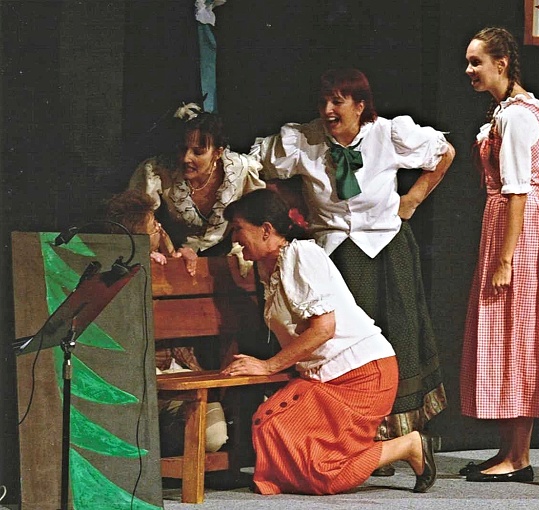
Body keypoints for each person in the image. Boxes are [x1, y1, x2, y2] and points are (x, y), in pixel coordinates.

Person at [250, 68, 454, 462]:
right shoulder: (304, 139)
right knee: (344, 349)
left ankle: (396, 441)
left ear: (360, 106)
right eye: (323, 101)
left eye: (338, 101)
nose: (328, 109)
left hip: (385, 249)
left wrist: (412, 200)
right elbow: (257, 167)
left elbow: (444, 152)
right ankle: (352, 440)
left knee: (395, 340)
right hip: (333, 256)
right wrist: (298, 207)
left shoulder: (388, 134)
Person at [219, 189, 436, 495]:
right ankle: (340, 459)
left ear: (266, 229)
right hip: (323, 378)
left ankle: (406, 446)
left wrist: (267, 367)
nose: (235, 239)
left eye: (239, 229)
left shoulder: (302, 256)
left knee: (325, 475)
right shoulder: (270, 267)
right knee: (268, 424)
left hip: (362, 374)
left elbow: (324, 329)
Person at [458, 27, 539, 483]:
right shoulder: (505, 112)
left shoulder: (518, 116)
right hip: (504, 223)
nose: (469, 70)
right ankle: (509, 450)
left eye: (476, 62)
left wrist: (505, 260)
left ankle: (519, 457)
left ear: (501, 64)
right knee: (502, 333)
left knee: (517, 333)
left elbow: (518, 190)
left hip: (517, 229)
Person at [103, 189, 228, 456]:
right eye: (154, 226)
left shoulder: (170, 262)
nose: (160, 228)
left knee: (213, 436)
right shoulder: (116, 274)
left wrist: (179, 261)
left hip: (185, 375)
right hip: (144, 383)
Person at [129, 105, 266, 275]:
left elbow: (256, 219)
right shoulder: (158, 172)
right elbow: (139, 224)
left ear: (217, 153)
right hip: (176, 260)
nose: (186, 158)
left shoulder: (240, 170)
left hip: (228, 261)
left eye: (198, 152)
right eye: (182, 149)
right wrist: (166, 251)